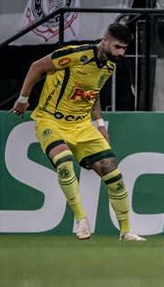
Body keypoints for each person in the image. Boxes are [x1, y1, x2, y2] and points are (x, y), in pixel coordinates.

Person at [10, 23, 146, 242]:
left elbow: (93, 94)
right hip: (51, 120)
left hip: (82, 126)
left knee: (113, 173)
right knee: (63, 161)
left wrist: (100, 125)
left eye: (124, 49)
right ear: (105, 40)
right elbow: (37, 67)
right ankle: (81, 219)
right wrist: (23, 100)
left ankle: (126, 231)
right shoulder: (75, 54)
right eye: (118, 47)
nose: (121, 52)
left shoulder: (109, 66)